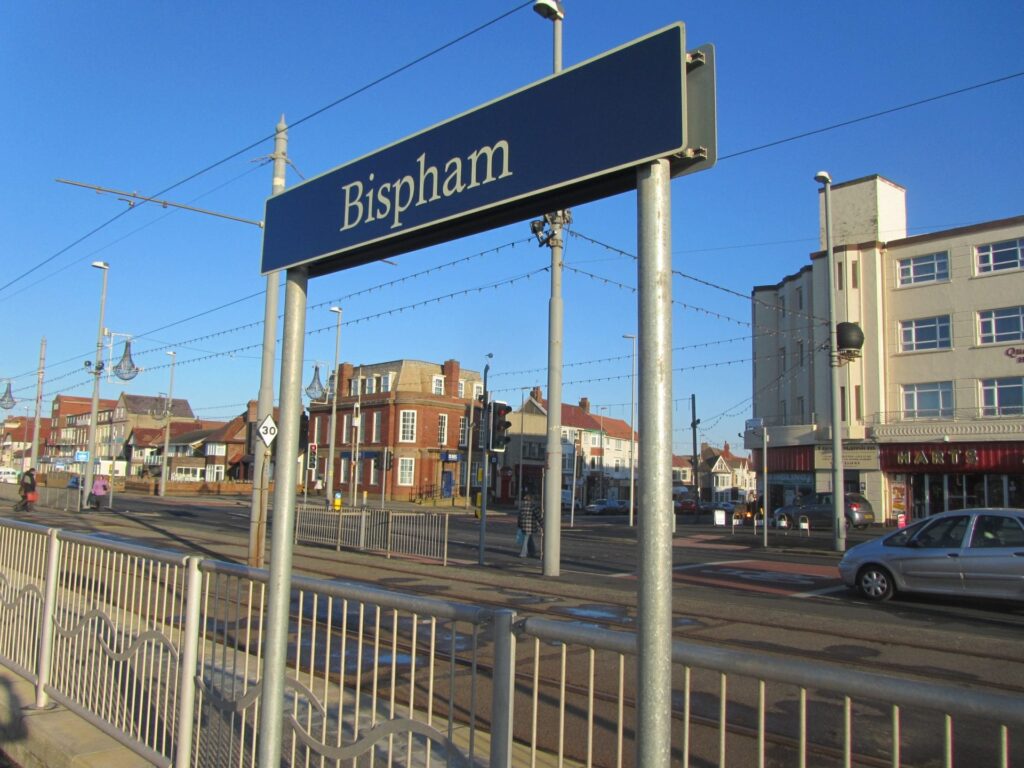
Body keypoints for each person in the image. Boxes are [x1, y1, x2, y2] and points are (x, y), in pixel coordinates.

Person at [517, 492, 542, 558]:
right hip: (530, 527)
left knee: (529, 538)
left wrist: (519, 525)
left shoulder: (522, 507)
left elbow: (519, 517)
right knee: (526, 540)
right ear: (531, 500)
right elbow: (538, 517)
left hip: (523, 526)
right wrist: (543, 525)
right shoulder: (533, 507)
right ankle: (523, 553)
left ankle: (532, 552)